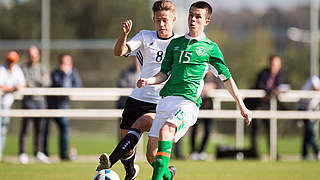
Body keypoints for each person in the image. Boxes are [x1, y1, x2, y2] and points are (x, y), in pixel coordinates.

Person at [137, 2, 252, 179]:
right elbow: (163, 73)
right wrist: (149, 80)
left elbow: (227, 79)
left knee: (166, 131)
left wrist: (241, 106)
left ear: (207, 21)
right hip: (166, 101)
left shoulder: (210, 48)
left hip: (187, 103)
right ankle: (169, 175)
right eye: (191, 15)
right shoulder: (176, 43)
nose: (193, 19)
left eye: (198, 17)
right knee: (151, 156)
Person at [96, 1, 178, 179]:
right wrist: (123, 35)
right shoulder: (145, 36)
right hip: (137, 98)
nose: (161, 24)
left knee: (149, 151)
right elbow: (119, 52)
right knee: (128, 147)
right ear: (153, 20)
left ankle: (110, 160)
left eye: (165, 20)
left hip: (160, 102)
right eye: (158, 20)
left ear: (173, 19)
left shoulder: (179, 43)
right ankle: (131, 172)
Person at [44, 54, 82, 161]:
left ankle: (63, 154)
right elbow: (55, 85)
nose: (64, 65)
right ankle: (44, 153)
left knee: (64, 129)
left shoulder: (73, 73)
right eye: (62, 62)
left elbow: (77, 86)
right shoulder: (55, 73)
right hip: (51, 107)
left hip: (63, 107)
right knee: (45, 130)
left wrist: (66, 75)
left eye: (66, 62)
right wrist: (63, 75)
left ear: (70, 64)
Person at [18, 46, 51, 164]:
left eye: (34, 55)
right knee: (25, 128)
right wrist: (38, 80)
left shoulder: (42, 67)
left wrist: (34, 79)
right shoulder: (23, 68)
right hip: (28, 101)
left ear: (38, 56)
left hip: (40, 101)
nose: (32, 58)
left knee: (40, 129)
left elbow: (47, 82)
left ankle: (39, 152)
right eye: (30, 55)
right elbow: (24, 82)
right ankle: (22, 153)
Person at [246, 54, 283, 158]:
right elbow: (260, 86)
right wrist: (272, 91)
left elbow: (279, 86)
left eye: (276, 64)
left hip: (267, 105)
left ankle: (273, 153)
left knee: (271, 129)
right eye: (272, 64)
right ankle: (254, 153)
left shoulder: (279, 74)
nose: (274, 66)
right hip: (255, 105)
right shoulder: (262, 73)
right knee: (255, 129)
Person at [189, 71, 221, 161]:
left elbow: (219, 86)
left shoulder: (215, 77)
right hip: (197, 106)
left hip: (209, 106)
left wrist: (212, 87)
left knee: (208, 130)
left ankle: (201, 151)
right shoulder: (198, 73)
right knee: (194, 130)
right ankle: (193, 151)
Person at [0, 51, 26, 160]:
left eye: (13, 61)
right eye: (9, 60)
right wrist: (12, 89)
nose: (11, 63)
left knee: (3, 129)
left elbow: (23, 84)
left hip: (7, 104)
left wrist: (16, 88)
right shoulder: (1, 69)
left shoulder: (17, 70)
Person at [296, 75, 320, 160]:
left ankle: (304, 154)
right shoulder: (315, 79)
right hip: (303, 107)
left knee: (307, 132)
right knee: (310, 131)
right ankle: (317, 151)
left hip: (311, 109)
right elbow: (316, 88)